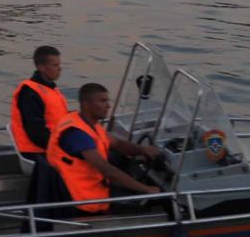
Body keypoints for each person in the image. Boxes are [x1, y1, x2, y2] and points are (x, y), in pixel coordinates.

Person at [45, 82, 164, 216]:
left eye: (107, 100)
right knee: (140, 208)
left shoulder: (87, 124)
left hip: (90, 188)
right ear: (86, 104)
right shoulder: (77, 135)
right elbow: (108, 171)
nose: (108, 105)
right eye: (102, 101)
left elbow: (118, 144)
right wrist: (145, 189)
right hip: (82, 201)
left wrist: (142, 150)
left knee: (127, 179)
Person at [9, 45, 70, 161]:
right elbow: (37, 134)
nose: (60, 68)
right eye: (55, 65)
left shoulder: (50, 89)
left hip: (53, 145)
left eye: (59, 65)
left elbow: (57, 117)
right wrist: (65, 146)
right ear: (41, 67)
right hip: (38, 152)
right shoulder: (30, 93)